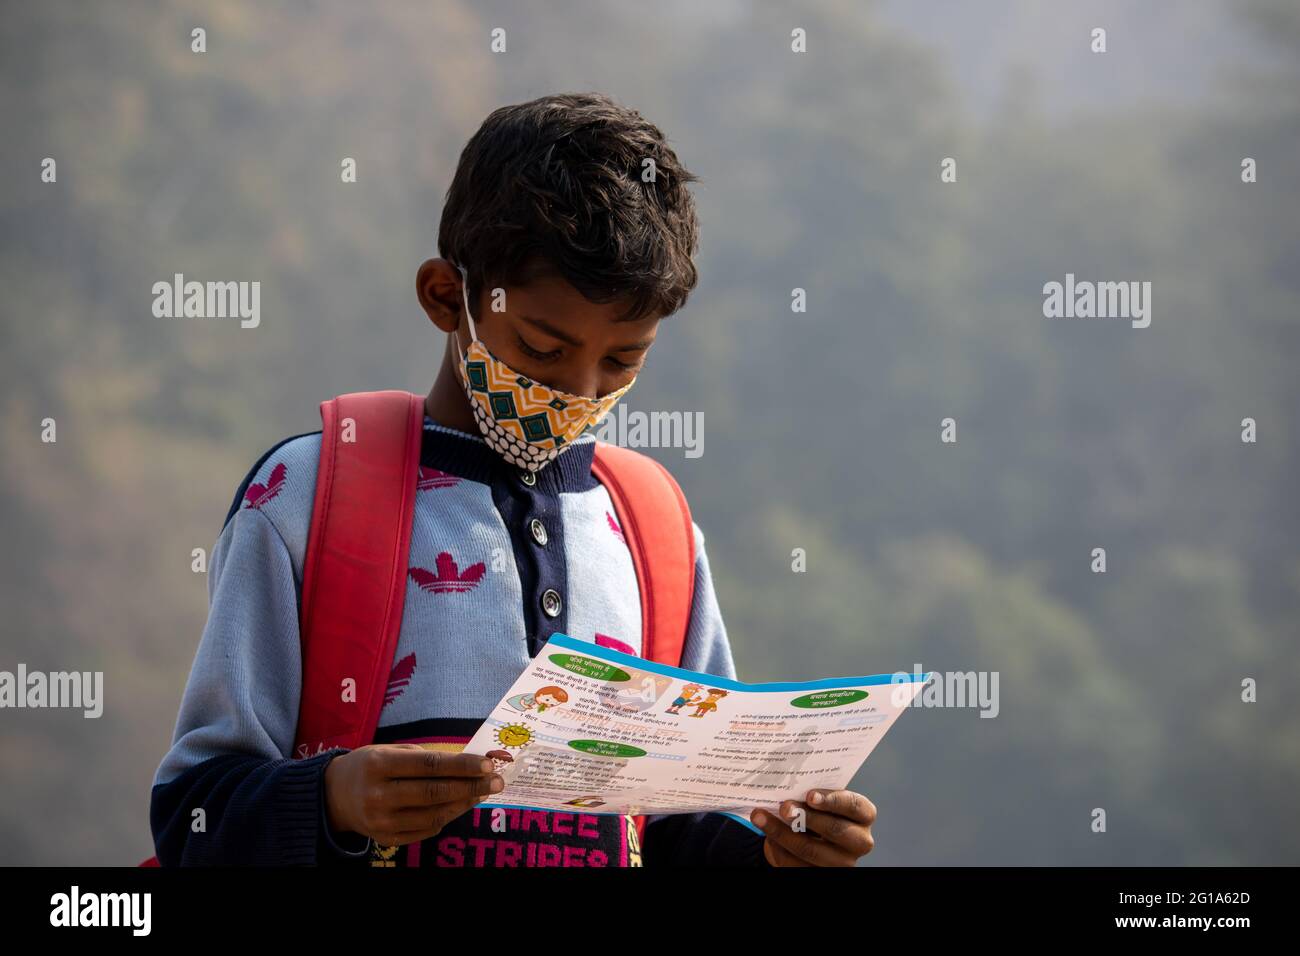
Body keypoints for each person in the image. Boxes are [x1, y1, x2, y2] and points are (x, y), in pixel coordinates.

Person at [150, 91, 876, 868]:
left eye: (623, 360)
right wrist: (333, 799)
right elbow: (194, 812)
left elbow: (669, 829)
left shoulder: (654, 533)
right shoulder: (304, 499)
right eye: (540, 348)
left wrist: (776, 854)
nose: (582, 390)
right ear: (445, 297)